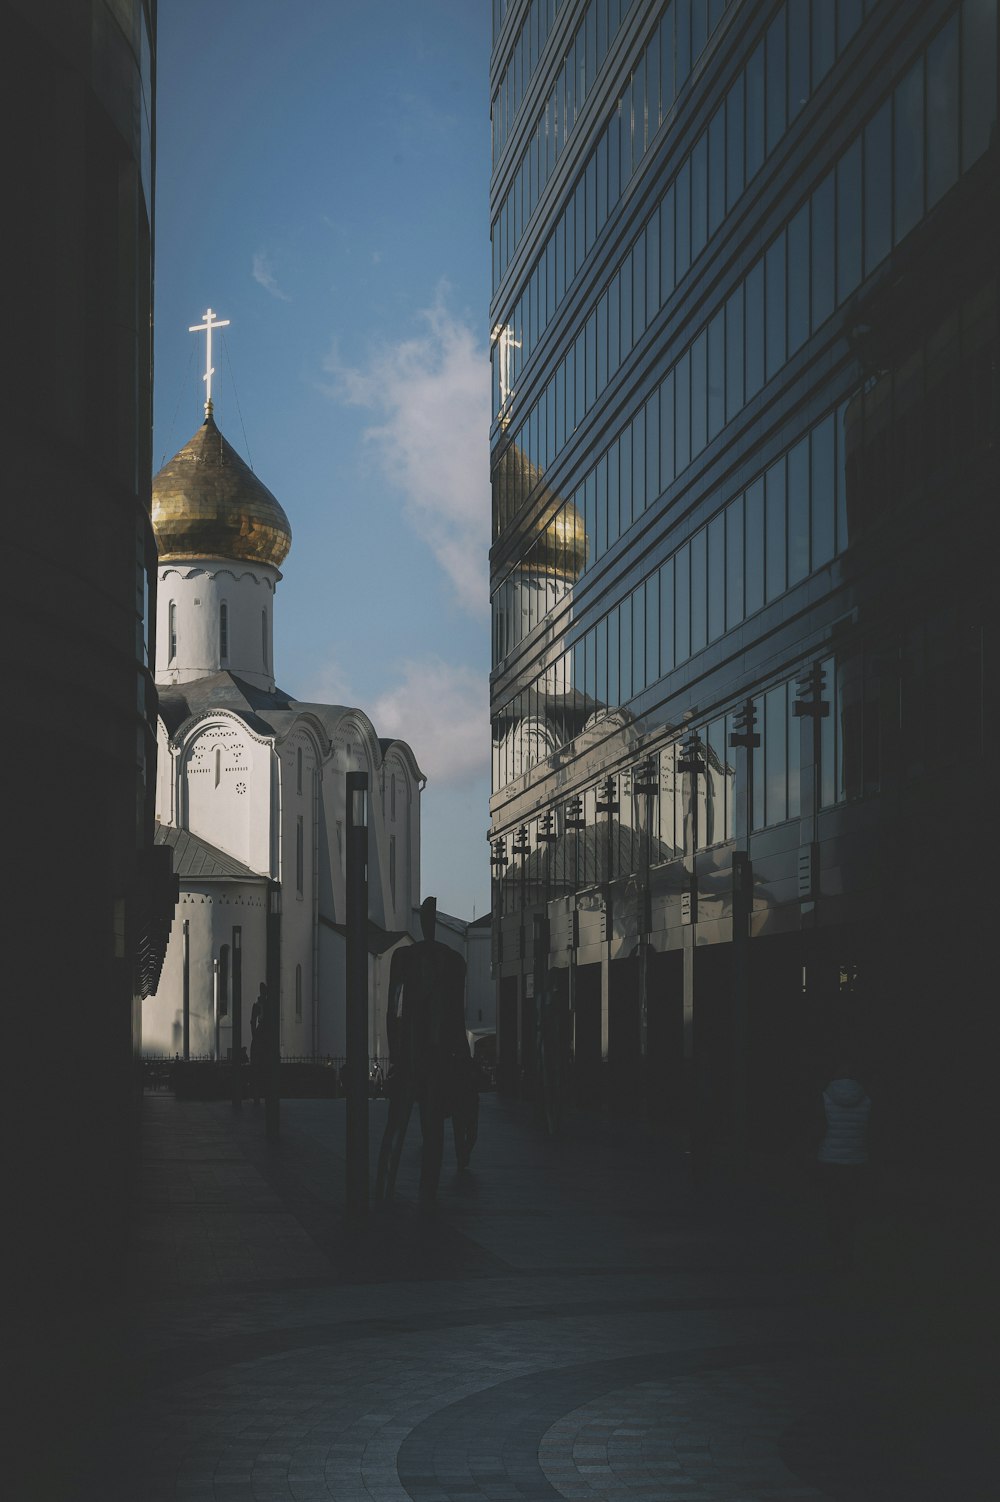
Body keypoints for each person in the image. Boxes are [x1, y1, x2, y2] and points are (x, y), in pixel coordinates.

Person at [816, 1065, 871, 1270]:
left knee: (832, 1208)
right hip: (857, 1160)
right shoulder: (866, 1099)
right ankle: (850, 1255)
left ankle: (834, 1254)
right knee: (852, 1209)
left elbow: (820, 1129)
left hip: (830, 1160)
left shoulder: (825, 1098)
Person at [249, 984, 267, 1106]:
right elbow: (252, 1021)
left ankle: (257, 1096)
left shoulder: (257, 1005)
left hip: (261, 1033)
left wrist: (254, 1035)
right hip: (263, 1034)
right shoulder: (261, 1005)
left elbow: (252, 1022)